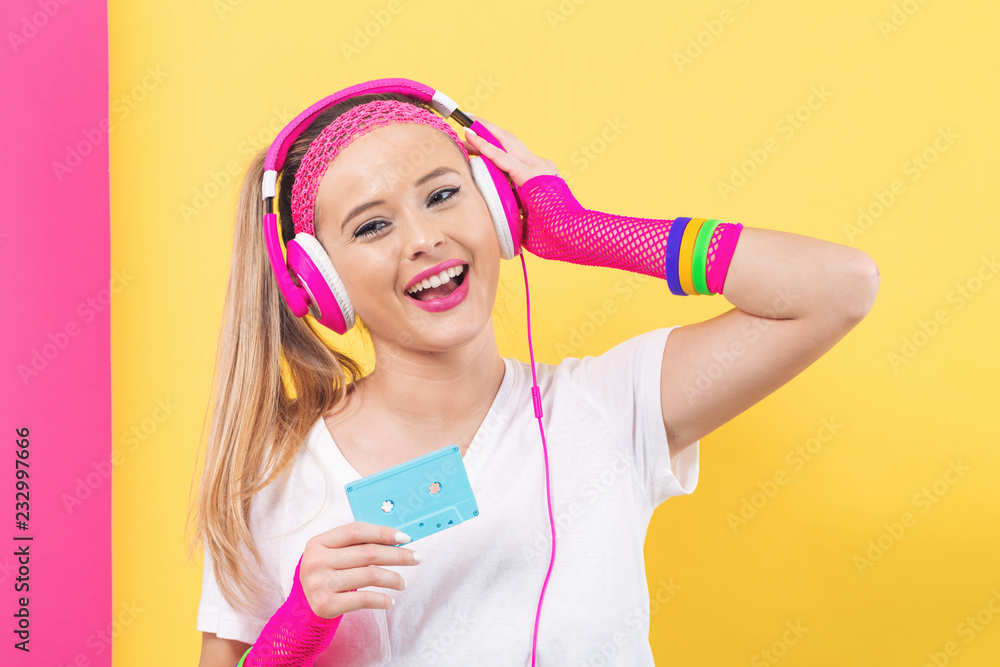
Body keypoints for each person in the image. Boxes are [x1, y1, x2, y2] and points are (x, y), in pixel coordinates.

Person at [189, 90, 880, 666]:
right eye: (372, 227)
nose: (423, 239)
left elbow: (839, 287)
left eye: (443, 195)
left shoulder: (610, 405)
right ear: (319, 279)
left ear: (498, 209)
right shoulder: (275, 473)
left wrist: (588, 232)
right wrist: (293, 633)